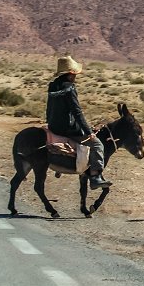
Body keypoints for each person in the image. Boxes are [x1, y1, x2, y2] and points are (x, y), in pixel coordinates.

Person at [46, 55, 111, 189]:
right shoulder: (69, 87)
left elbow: (49, 107)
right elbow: (76, 111)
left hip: (53, 126)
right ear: (70, 74)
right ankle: (95, 177)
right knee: (98, 145)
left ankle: (60, 167)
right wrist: (88, 132)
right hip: (67, 128)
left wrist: (50, 123)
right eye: (75, 74)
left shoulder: (53, 85)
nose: (75, 76)